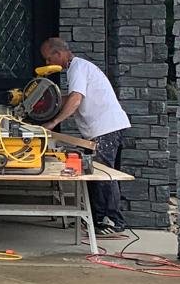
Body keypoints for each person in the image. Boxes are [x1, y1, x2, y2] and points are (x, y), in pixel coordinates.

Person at [37, 36, 131, 234]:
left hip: (106, 128)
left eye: (48, 59)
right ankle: (96, 221)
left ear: (59, 54)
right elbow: (70, 98)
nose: (47, 64)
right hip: (104, 128)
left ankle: (112, 221)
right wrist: (43, 101)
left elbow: (76, 99)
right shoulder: (78, 69)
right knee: (95, 174)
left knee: (104, 174)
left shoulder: (78, 68)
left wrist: (53, 122)